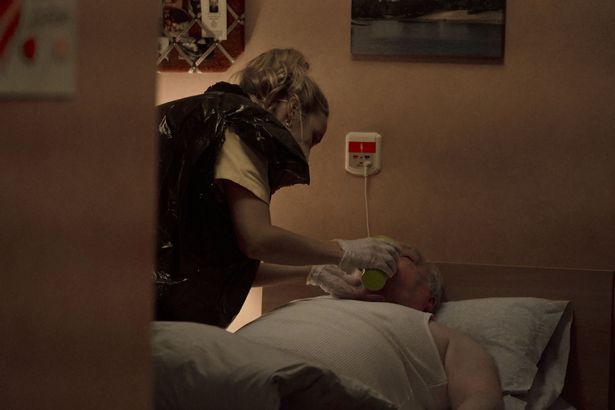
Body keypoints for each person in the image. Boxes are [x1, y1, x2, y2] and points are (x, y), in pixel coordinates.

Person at [154, 48, 400, 328]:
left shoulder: (218, 119)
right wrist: (343, 251)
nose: (307, 155)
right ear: (292, 109)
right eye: (313, 138)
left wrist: (314, 271)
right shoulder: (241, 126)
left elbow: (228, 267)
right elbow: (257, 240)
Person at [237, 246, 504, 410]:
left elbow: (482, 397)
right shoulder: (306, 303)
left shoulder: (444, 336)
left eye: (404, 256)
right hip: (228, 368)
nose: (382, 257)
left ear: (428, 299)